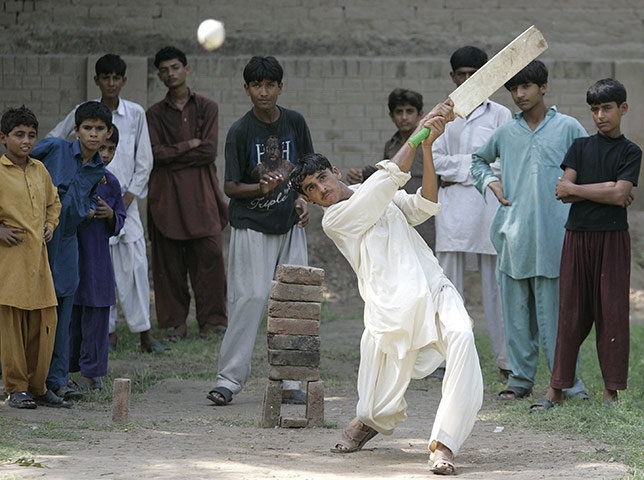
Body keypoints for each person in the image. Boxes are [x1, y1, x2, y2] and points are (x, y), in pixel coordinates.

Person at [290, 103, 483, 476]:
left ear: (334, 172)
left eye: (321, 179)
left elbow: (424, 204)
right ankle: (368, 421)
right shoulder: (336, 220)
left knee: (462, 336)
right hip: (388, 302)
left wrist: (427, 147)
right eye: (311, 190)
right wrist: (419, 133)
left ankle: (444, 442)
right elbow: (385, 182)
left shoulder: (374, 188)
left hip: (431, 285)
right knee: (379, 395)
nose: (321, 190)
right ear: (311, 201)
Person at [470, 60, 588, 401]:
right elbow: (478, 160)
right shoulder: (506, 132)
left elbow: (589, 162)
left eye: (526, 87)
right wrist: (491, 182)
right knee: (517, 314)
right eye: (513, 89)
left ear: (543, 87)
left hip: (556, 236)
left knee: (558, 317)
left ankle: (566, 383)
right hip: (513, 235)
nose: (520, 95)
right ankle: (520, 381)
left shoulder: (568, 128)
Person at [207, 56, 314, 407]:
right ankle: (228, 380)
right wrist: (260, 190)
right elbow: (230, 187)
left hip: (289, 226)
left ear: (281, 87)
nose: (263, 92)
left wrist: (302, 199)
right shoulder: (240, 131)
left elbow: (308, 170)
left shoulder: (295, 123)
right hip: (251, 226)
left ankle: (289, 381)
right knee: (249, 298)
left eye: (270, 85)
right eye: (256, 86)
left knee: (292, 302)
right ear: (247, 89)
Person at [530, 79, 641, 412]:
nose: (600, 115)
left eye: (607, 108)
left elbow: (620, 194)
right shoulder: (579, 147)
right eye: (594, 109)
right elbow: (562, 190)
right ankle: (556, 390)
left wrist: (590, 190)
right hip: (577, 236)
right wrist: (607, 188)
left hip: (613, 240)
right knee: (570, 314)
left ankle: (611, 392)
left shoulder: (630, 151)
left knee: (613, 314)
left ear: (622, 108)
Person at [47, 54, 163, 354]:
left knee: (134, 265)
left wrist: (124, 200)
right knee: (95, 265)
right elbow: (54, 139)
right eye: (105, 77)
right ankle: (107, 333)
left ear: (124, 81)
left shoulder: (135, 113)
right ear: (96, 80)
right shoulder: (82, 113)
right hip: (86, 201)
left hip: (124, 198)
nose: (111, 83)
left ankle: (143, 331)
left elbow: (144, 161)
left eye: (116, 77)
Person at [431, 46, 512, 381]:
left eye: (473, 74)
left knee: (497, 289)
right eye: (461, 75)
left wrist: (466, 169)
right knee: (448, 286)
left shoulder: (501, 115)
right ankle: (449, 360)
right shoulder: (442, 114)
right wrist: (477, 167)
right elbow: (435, 162)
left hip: (490, 208)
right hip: (452, 211)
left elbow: (504, 162)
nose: (467, 80)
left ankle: (508, 362)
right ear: (452, 78)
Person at [146, 46, 228, 341]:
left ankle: (213, 322)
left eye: (175, 67)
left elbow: (208, 152)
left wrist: (174, 153)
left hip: (201, 196)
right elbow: (153, 155)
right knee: (168, 265)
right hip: (166, 198)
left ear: (187, 69)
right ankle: (174, 325)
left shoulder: (207, 107)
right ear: (159, 75)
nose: (171, 74)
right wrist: (187, 145)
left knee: (210, 258)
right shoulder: (153, 114)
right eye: (165, 70)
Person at [31, 101, 109, 402]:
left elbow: (89, 200)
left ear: (108, 133)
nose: (93, 134)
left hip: (66, 245)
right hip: (35, 241)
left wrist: (89, 209)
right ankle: (22, 379)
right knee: (27, 310)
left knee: (62, 314)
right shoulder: (54, 149)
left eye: (99, 129)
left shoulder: (98, 170)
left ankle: (57, 379)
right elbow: (17, 162)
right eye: (87, 128)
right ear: (76, 130)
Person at [0, 106, 67, 409]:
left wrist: (50, 225)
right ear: (4, 138)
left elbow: (54, 203)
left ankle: (38, 387)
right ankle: (15, 389)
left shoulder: (40, 169)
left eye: (31, 135)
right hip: (9, 263)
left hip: (39, 263)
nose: (26, 141)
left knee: (45, 321)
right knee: (12, 325)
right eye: (18, 135)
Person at [69, 126, 127, 392]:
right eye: (102, 148)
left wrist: (110, 215)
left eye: (110, 149)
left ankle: (92, 375)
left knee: (95, 316)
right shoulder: (72, 175)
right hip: (70, 256)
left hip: (96, 261)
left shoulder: (111, 183)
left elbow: (120, 221)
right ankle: (66, 371)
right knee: (70, 317)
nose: (104, 154)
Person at [346, 88, 436, 250]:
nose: (404, 117)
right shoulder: (391, 145)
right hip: (398, 212)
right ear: (391, 116)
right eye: (399, 112)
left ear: (420, 114)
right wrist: (365, 173)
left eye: (409, 111)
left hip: (425, 212)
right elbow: (389, 173)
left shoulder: (430, 142)